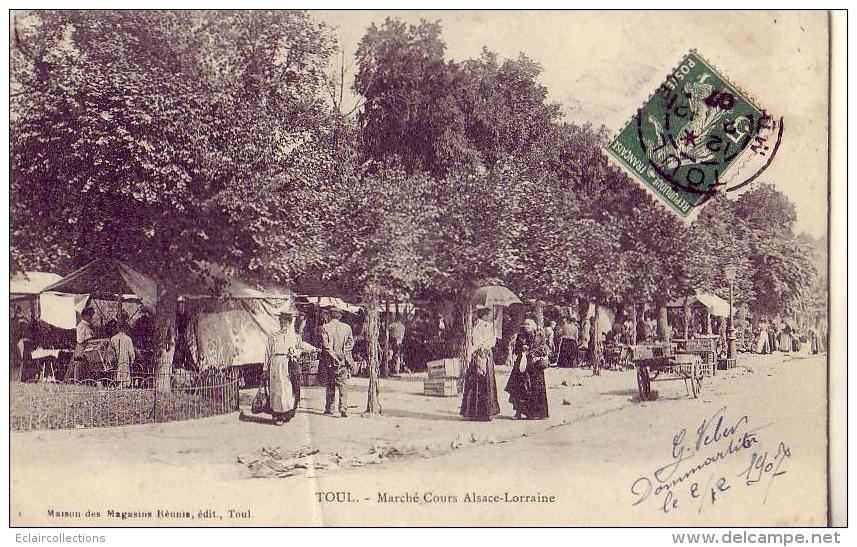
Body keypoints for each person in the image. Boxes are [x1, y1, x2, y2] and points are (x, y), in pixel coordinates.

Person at [262, 304, 315, 426]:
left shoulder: (293, 337)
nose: (283, 323)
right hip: (275, 363)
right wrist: (265, 368)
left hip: (287, 364)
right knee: (275, 389)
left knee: (287, 389)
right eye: (282, 321)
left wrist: (295, 353)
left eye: (286, 321)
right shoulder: (273, 336)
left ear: (290, 323)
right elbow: (267, 353)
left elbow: (299, 348)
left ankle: (287, 413)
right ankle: (277, 415)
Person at [505, 316, 549, 420]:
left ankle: (534, 413)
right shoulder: (520, 335)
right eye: (525, 324)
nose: (526, 326)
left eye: (528, 324)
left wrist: (533, 353)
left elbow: (544, 348)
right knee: (519, 388)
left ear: (533, 326)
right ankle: (518, 412)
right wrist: (521, 348)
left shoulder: (540, 335)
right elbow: (516, 349)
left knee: (535, 388)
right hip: (522, 364)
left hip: (534, 364)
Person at [460, 307, 501, 421]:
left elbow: (492, 342)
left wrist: (492, 335)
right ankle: (480, 412)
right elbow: (479, 342)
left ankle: (481, 412)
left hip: (486, 354)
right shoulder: (478, 326)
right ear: (484, 316)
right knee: (482, 381)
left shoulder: (489, 327)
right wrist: (486, 342)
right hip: (481, 354)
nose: (491, 317)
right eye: (489, 315)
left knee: (483, 382)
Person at [320, 306, 355, 418]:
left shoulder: (325, 327)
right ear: (340, 316)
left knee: (330, 383)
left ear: (330, 315)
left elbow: (326, 345)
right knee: (342, 384)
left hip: (330, 360)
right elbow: (350, 342)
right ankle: (343, 407)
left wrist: (333, 355)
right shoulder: (347, 328)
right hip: (342, 360)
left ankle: (329, 408)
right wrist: (344, 353)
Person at [109, 313, 136, 387]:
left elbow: (110, 351)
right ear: (126, 329)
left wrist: (111, 360)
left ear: (118, 328)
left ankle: (117, 385)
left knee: (116, 376)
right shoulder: (128, 339)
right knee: (124, 377)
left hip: (116, 361)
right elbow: (131, 352)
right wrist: (132, 361)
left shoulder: (113, 338)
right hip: (124, 360)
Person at [70, 307, 96, 382]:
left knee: (84, 370)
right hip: (81, 350)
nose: (91, 318)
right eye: (90, 316)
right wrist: (90, 338)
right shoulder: (82, 326)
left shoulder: (87, 326)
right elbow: (80, 339)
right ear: (85, 316)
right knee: (79, 370)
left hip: (86, 351)